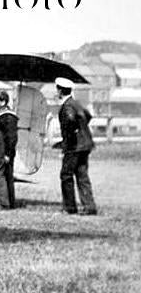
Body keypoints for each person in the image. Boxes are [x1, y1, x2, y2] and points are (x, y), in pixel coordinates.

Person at [55, 77, 97, 215]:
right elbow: (88, 116)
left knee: (66, 175)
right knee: (82, 175)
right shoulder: (76, 103)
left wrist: (67, 143)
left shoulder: (67, 106)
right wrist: (81, 128)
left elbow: (71, 121)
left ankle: (70, 207)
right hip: (85, 145)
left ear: (60, 91)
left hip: (74, 146)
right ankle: (89, 207)